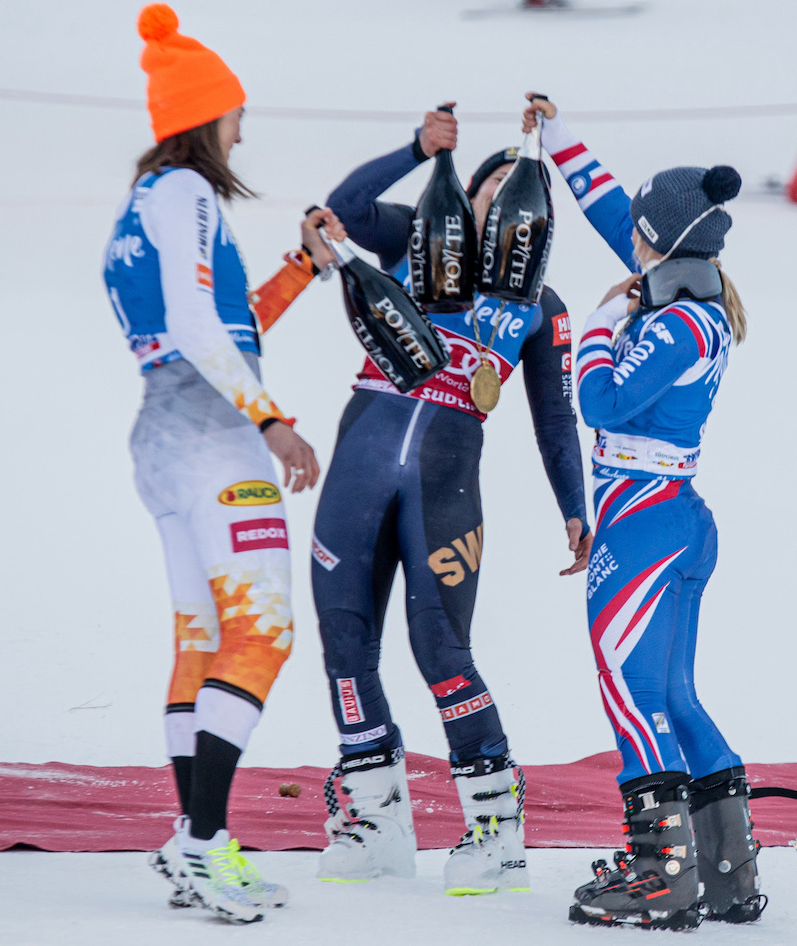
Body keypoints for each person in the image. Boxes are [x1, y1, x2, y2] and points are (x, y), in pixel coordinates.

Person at [311, 104, 592, 895]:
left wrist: (574, 505)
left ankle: (495, 828)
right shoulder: (408, 237)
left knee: (441, 650)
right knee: (344, 641)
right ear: (465, 196)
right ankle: (374, 816)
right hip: (358, 467)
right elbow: (346, 209)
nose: (503, 201)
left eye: (518, 191)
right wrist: (415, 148)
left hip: (443, 484)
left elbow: (555, 418)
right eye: (491, 184)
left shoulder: (543, 305)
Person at [102, 4, 342, 924]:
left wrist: (300, 267)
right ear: (204, 117)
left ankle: (193, 841)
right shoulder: (190, 194)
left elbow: (215, 329)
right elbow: (206, 332)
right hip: (214, 440)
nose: (243, 127)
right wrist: (274, 422)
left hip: (163, 437)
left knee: (201, 643)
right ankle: (202, 846)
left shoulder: (141, 204)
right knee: (263, 634)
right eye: (235, 112)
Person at [523, 95, 760, 929]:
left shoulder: (679, 323)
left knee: (630, 693)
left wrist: (593, 321)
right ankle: (725, 870)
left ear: (662, 245)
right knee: (670, 693)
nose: (626, 239)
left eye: (639, 233)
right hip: (670, 518)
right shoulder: (684, 296)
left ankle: (662, 873)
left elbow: (599, 400)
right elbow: (615, 211)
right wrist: (557, 139)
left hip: (647, 524)